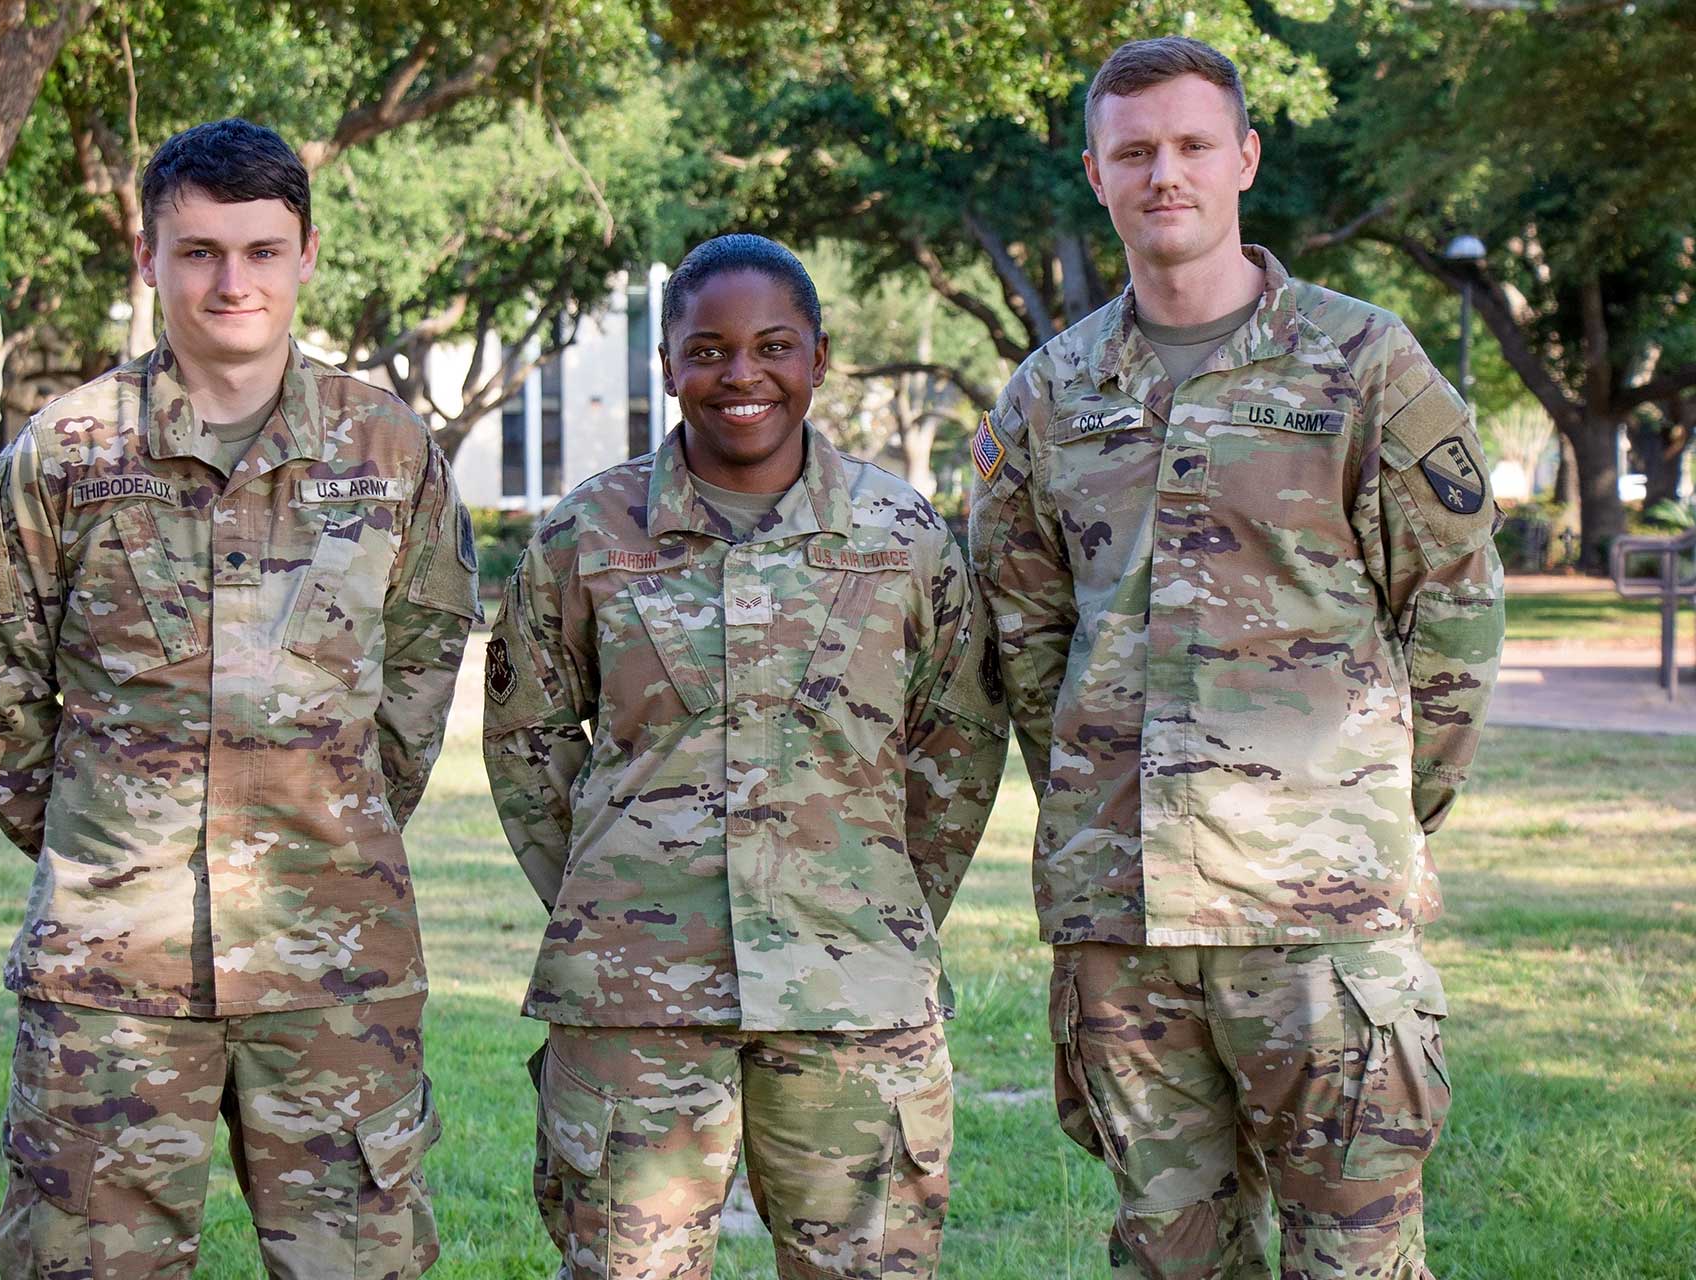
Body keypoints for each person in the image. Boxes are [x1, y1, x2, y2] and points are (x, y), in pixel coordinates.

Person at [968, 36, 1505, 1280]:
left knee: (1356, 1255)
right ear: (1096, 172)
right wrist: (1111, 801)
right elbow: (1024, 632)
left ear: (1245, 159)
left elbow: (1455, 617)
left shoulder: (1365, 363)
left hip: (1320, 919)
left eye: (1194, 145)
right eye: (1136, 150)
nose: (1168, 174)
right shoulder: (1051, 394)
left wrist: (1372, 810)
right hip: (1126, 921)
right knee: (1171, 1256)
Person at [0, 118, 479, 1279]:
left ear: (305, 255)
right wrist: (90, 826)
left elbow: (427, 646)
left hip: (335, 962)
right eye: (198, 252)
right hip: (112, 967)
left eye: (261, 250)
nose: (232, 280)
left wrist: (342, 811)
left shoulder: (384, 446)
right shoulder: (70, 449)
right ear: (149, 258)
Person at [482, 233, 1008, 1280]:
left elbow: (958, 742)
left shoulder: (900, 534)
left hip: (854, 995)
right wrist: (612, 897)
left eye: (773, 345)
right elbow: (526, 742)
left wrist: (874, 900)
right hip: (637, 1002)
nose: (741, 375)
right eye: (708, 348)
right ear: (668, 363)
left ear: (820, 355)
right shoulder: (585, 534)